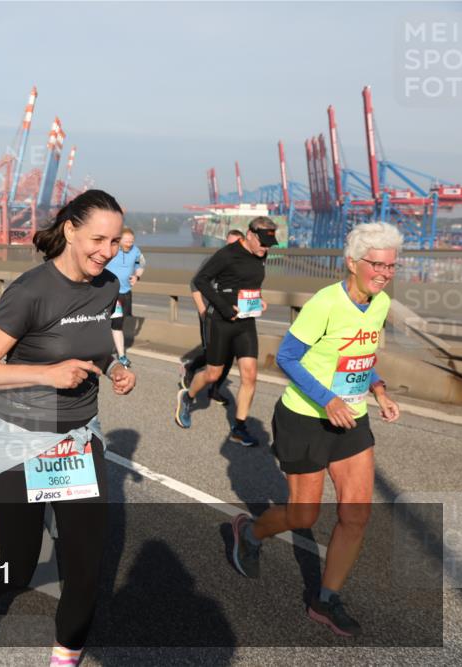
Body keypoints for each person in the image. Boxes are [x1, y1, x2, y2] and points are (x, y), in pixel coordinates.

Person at [0, 190, 135, 662]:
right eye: (98, 238)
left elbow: (97, 344)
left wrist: (114, 368)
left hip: (76, 441)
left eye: (115, 241)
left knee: (86, 569)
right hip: (17, 440)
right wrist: (46, 373)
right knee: (19, 565)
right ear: (70, 230)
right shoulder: (31, 291)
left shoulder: (107, 285)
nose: (108, 251)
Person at [230, 222, 402, 637]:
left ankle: (325, 600)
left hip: (352, 418)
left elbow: (358, 353)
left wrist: (378, 390)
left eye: (390, 266)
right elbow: (287, 357)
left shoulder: (379, 303)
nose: (383, 273)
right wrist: (328, 399)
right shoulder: (326, 302)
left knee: (355, 516)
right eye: (375, 264)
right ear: (351, 263)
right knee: (303, 514)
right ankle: (249, 533)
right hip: (305, 418)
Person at [175, 217, 278, 446]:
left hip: (245, 321)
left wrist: (259, 299)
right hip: (220, 320)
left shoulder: (262, 254)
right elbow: (199, 280)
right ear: (250, 235)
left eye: (269, 245)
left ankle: (239, 428)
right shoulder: (227, 254)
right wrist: (222, 306)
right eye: (262, 243)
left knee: (250, 375)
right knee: (213, 373)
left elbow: (250, 284)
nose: (266, 248)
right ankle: (188, 396)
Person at [181, 229, 245, 404]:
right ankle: (191, 367)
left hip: (233, 314)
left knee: (229, 355)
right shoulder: (215, 260)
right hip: (211, 313)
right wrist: (202, 310)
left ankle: (214, 390)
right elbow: (195, 284)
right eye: (229, 243)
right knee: (212, 354)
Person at [104, 227, 145, 365]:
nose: (129, 243)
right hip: (109, 292)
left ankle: (119, 354)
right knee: (114, 323)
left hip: (125, 293)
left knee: (118, 323)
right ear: (119, 239)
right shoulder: (111, 249)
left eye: (132, 240)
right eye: (126, 240)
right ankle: (117, 354)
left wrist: (137, 276)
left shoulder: (135, 251)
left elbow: (141, 264)